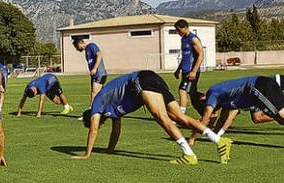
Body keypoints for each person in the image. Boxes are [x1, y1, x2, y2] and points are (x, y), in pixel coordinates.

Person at [72, 70, 232, 165]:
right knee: (179, 117)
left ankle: (189, 155)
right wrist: (110, 151)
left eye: (98, 122)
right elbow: (116, 131)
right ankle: (219, 141)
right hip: (152, 78)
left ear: (92, 115)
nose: (99, 124)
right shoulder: (110, 107)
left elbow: (93, 130)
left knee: (162, 118)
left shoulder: (97, 104)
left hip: (141, 80)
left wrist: (87, 154)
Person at [191, 76, 284, 152]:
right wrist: (216, 135)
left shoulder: (213, 94)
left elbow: (206, 118)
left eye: (203, 105)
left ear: (203, 99)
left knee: (283, 116)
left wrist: (191, 139)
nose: (207, 107)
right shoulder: (224, 99)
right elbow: (226, 117)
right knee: (282, 119)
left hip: (259, 87)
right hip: (262, 86)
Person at [173, 19, 204, 115]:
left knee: (182, 90)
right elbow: (185, 56)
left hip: (192, 71)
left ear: (185, 28)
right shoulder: (183, 39)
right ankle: (205, 114)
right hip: (185, 71)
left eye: (179, 30)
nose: (178, 33)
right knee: (193, 96)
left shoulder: (193, 39)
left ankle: (180, 116)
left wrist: (194, 71)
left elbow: (201, 55)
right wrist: (178, 69)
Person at [73, 38, 107, 103]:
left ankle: (92, 110)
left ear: (81, 43)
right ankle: (104, 110)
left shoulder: (91, 46)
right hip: (95, 75)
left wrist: (95, 68)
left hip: (99, 73)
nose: (77, 49)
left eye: (77, 46)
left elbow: (99, 55)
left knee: (94, 93)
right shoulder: (86, 51)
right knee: (101, 94)